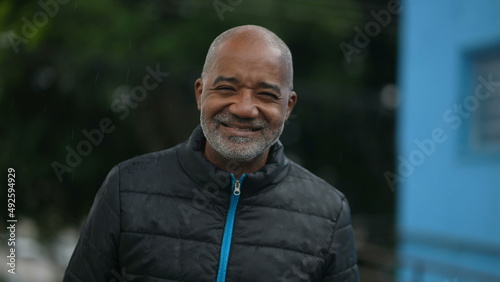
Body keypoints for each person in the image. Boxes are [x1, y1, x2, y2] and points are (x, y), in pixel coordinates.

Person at [64, 24, 359, 282]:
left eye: (266, 95)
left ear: (289, 106)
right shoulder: (126, 188)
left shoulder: (327, 213)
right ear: (200, 93)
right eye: (227, 89)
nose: (244, 108)